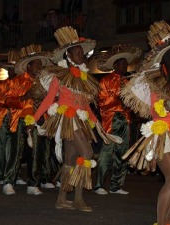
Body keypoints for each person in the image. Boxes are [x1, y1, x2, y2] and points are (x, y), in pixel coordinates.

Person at [27, 26, 119, 211]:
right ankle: (78, 198)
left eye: (82, 52)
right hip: (67, 120)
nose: (81, 55)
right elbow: (47, 100)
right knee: (86, 153)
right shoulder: (60, 75)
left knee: (70, 159)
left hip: (81, 120)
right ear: (68, 56)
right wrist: (33, 119)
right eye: (77, 52)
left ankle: (61, 199)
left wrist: (98, 125)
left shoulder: (84, 78)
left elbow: (85, 105)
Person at [121, 20, 170, 225]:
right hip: (163, 133)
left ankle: (167, 222)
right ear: (168, 55)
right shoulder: (156, 77)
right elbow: (157, 107)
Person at [2, 44, 52, 195]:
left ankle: (33, 184)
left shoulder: (44, 82)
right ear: (28, 66)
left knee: (36, 152)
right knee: (16, 151)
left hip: (39, 120)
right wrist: (25, 96)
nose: (39, 66)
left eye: (41, 64)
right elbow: (7, 100)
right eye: (37, 64)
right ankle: (8, 182)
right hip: (20, 120)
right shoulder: (17, 81)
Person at [93, 44, 142, 195]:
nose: (125, 66)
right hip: (112, 118)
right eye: (122, 63)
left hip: (125, 120)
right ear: (115, 65)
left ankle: (116, 185)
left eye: (126, 64)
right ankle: (99, 185)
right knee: (107, 151)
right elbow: (101, 101)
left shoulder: (128, 82)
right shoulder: (106, 80)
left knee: (123, 153)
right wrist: (118, 98)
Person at [0, 51, 20, 187]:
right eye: (10, 68)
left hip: (15, 120)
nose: (12, 71)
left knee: (14, 148)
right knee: (0, 147)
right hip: (1, 119)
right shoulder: (0, 85)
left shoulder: (20, 85)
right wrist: (4, 104)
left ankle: (13, 174)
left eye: (14, 68)